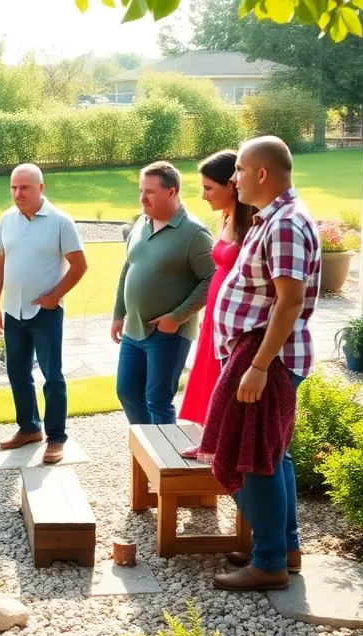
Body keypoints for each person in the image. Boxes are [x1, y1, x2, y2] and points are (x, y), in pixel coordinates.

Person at [199, 136, 322, 592]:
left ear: (263, 174)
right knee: (274, 454)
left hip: (264, 355)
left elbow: (289, 302)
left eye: (240, 171)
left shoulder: (286, 223)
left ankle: (269, 561)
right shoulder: (273, 218)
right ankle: (283, 548)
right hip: (255, 351)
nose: (234, 179)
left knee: (250, 458)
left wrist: (259, 365)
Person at [0, 164, 89, 465]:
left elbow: (80, 265)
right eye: (13, 188)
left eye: (25, 188)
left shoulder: (60, 222)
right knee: (17, 373)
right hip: (13, 312)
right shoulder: (6, 220)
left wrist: (54, 297)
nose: (18, 193)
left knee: (52, 376)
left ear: (41, 188)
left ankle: (56, 438)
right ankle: (29, 428)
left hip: (46, 314)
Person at [112, 161, 216, 425]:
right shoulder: (141, 224)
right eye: (140, 190)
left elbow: (212, 278)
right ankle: (148, 453)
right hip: (133, 329)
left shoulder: (194, 233)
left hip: (168, 334)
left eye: (149, 191)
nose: (142, 198)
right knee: (126, 392)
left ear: (172, 192)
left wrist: (177, 317)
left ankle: (163, 463)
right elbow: (128, 267)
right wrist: (118, 314)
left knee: (157, 400)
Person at [177, 151, 258, 425]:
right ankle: (209, 440)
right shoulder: (226, 218)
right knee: (208, 376)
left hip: (236, 317)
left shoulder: (252, 226)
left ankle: (219, 444)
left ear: (232, 185)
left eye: (209, 188)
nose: (203, 195)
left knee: (223, 381)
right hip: (216, 313)